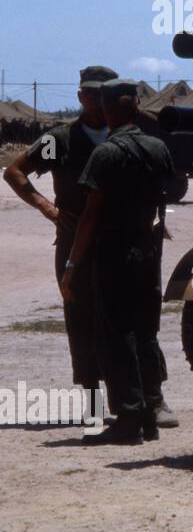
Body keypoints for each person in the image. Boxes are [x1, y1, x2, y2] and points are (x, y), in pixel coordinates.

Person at [61, 80, 176, 444]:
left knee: (116, 335)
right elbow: (166, 200)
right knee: (145, 332)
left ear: (108, 111)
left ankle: (128, 418)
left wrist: (71, 265)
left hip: (114, 253)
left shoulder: (106, 154)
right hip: (149, 251)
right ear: (137, 107)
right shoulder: (158, 148)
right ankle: (150, 413)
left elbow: (91, 217)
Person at [3, 65, 116, 422]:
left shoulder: (124, 135)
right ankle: (94, 408)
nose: (95, 101)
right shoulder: (61, 140)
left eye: (102, 94)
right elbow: (14, 172)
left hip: (121, 238)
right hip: (73, 239)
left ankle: (144, 400)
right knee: (80, 319)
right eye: (89, 94)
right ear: (80, 96)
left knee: (128, 318)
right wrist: (48, 209)